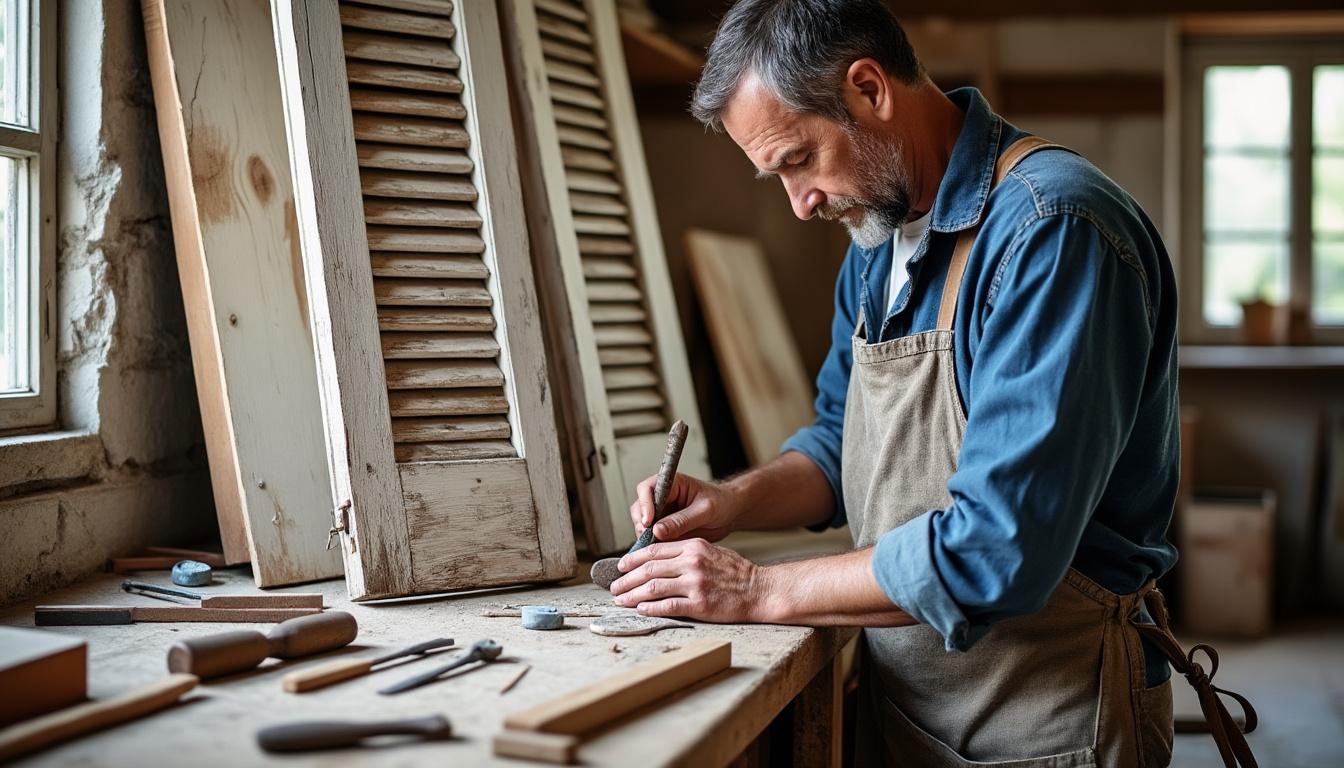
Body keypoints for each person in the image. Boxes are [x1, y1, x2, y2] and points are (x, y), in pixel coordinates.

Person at [605, 2, 1257, 766]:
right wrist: (732, 501)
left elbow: (996, 549)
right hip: (916, 709)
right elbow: (835, 441)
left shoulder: (1054, 232)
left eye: (796, 160)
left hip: (1047, 718)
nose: (800, 202)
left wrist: (759, 592)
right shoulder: (877, 239)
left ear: (869, 89)